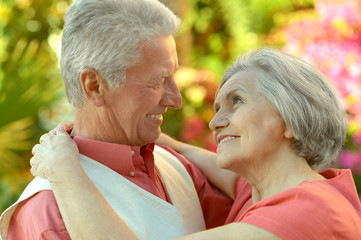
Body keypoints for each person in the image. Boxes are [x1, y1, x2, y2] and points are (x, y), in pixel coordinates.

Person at [29, 47, 361, 239]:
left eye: (237, 101)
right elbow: (204, 161)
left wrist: (63, 170)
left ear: (289, 119)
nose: (216, 122)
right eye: (217, 109)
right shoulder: (275, 190)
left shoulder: (304, 213)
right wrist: (158, 137)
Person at [0, 0, 233, 239]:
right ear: (95, 87)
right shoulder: (47, 215)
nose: (176, 100)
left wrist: (177, 147)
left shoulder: (177, 167)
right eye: (158, 81)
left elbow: (264, 199)